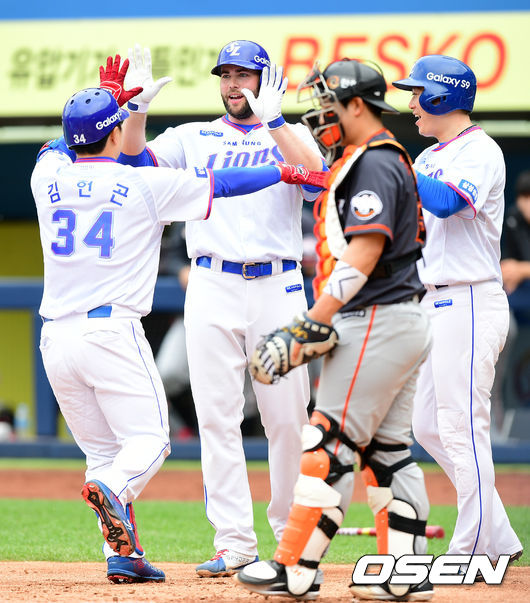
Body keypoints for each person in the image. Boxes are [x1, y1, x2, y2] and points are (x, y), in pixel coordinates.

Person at [31, 70, 326, 582]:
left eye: (242, 74)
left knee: (103, 452)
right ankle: (137, 500)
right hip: (115, 328)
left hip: (56, 334)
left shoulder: (46, 174)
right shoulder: (140, 183)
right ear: (114, 133)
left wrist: (117, 106)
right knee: (152, 440)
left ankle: (123, 555)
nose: (232, 83)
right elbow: (222, 183)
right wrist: (280, 172)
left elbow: (53, 146)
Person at [118, 41, 325, 577]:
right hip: (212, 280)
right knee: (216, 417)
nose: (233, 84)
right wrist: (136, 109)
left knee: (287, 419)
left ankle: (290, 540)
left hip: (278, 283)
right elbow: (136, 161)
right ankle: (234, 542)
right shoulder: (194, 135)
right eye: (226, 75)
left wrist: (275, 123)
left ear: (266, 80)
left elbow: (319, 181)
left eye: (244, 74)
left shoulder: (292, 135)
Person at [235, 58, 433, 601]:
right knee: (388, 453)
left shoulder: (374, 162)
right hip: (398, 317)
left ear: (357, 105)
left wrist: (313, 319)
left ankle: (294, 569)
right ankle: (405, 575)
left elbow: (364, 252)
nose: (321, 115)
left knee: (328, 441)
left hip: (376, 317)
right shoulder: (374, 158)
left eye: (329, 104)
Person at [391, 55, 523, 570]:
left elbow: (448, 203)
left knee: (462, 427)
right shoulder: (427, 156)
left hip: (470, 299)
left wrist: (393, 161)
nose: (411, 103)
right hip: (434, 301)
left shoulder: (480, 149)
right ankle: (500, 535)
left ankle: (469, 549)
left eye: (417, 92)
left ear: (442, 95)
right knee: (427, 426)